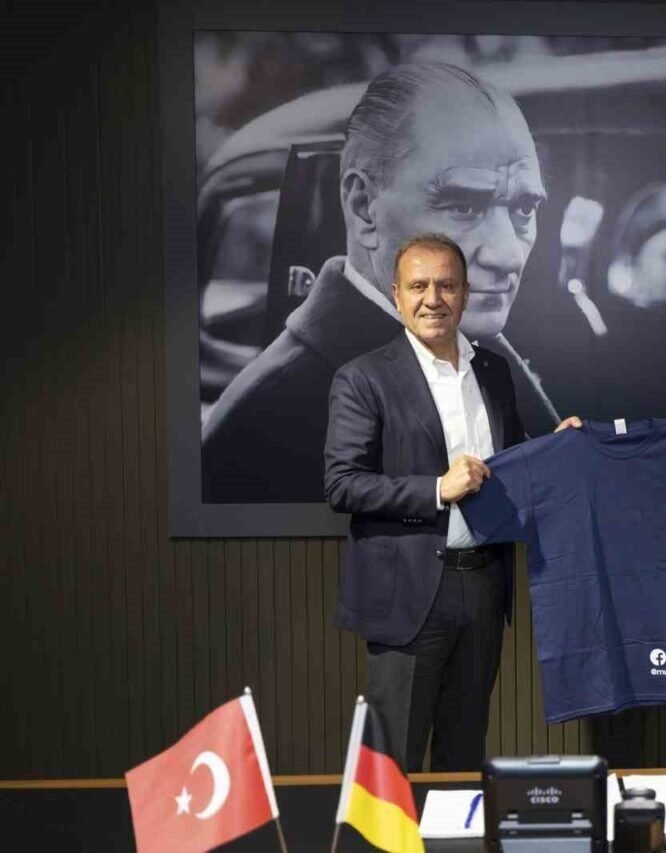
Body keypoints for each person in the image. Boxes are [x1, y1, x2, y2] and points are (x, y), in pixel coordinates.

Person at [201, 60, 556, 503]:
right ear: (364, 207)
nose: (508, 255)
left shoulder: (478, 359)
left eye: (524, 209)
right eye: (464, 206)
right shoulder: (269, 424)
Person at [324, 233, 572, 772]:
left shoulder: (494, 371)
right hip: (409, 595)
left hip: (484, 584)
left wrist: (558, 448)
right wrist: (438, 488)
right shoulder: (363, 378)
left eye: (446, 286)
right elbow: (342, 484)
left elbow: (514, 460)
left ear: (464, 294)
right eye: (418, 286)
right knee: (394, 765)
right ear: (396, 294)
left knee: (462, 757)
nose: (432, 299)